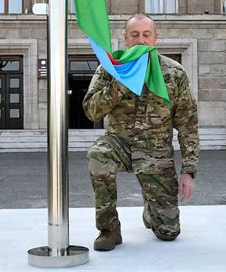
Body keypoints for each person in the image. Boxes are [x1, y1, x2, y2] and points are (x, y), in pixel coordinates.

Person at [83, 13, 199, 251]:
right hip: (119, 145)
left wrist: (189, 170)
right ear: (126, 39)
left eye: (146, 35)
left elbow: (187, 123)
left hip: (156, 153)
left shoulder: (174, 73)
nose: (141, 40)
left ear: (155, 38)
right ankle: (109, 230)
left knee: (168, 233)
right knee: (98, 153)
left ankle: (151, 209)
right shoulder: (110, 68)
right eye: (134, 35)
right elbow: (91, 111)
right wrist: (121, 83)